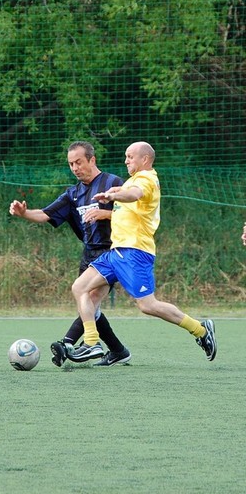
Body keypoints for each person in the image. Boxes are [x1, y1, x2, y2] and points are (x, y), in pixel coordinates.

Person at [69, 141, 217, 363]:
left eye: (130, 156)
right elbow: (128, 200)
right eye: (126, 156)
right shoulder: (133, 180)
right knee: (79, 287)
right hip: (116, 252)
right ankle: (91, 342)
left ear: (145, 159)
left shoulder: (146, 180)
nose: (126, 160)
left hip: (134, 252)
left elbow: (135, 195)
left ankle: (201, 330)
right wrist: (115, 194)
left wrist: (113, 196)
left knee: (148, 305)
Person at [9, 140, 131, 367]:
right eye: (71, 164)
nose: (75, 168)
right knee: (88, 307)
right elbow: (45, 214)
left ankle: (67, 343)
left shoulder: (113, 183)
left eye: (79, 162)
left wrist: (104, 214)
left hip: (113, 252)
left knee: (92, 299)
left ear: (92, 160)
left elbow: (133, 216)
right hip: (88, 253)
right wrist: (24, 214)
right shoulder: (73, 194)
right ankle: (118, 350)